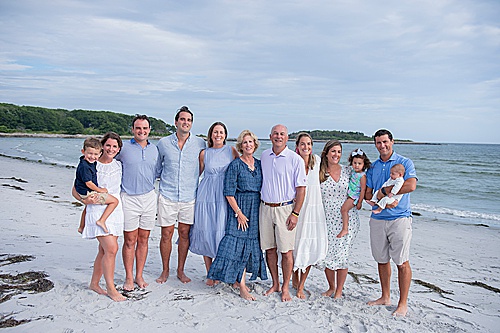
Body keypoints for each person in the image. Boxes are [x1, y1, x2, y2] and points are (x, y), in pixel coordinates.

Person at [207, 130, 268, 300]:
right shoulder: (235, 165)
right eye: (245, 142)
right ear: (240, 146)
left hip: (256, 208)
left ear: (255, 144)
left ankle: (237, 279)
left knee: (249, 245)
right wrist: (239, 213)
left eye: (250, 142)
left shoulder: (259, 164)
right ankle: (241, 285)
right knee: (236, 244)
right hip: (240, 208)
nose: (248, 145)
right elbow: (228, 192)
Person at [364, 129, 417, 317]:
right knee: (381, 260)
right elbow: (368, 194)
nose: (382, 146)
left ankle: (403, 303)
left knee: (402, 262)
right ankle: (385, 296)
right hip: (377, 219)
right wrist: (379, 194)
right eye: (378, 143)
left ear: (392, 142)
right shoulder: (373, 167)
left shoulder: (404, 163)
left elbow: (411, 185)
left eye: (385, 142)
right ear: (375, 144)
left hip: (400, 218)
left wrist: (384, 192)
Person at [72, 132, 126, 302]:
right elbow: (75, 189)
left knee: (104, 250)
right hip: (96, 210)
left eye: (115, 146)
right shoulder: (91, 164)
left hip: (115, 210)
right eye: (108, 145)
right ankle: (111, 288)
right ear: (102, 146)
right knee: (111, 249)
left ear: (119, 149)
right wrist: (83, 199)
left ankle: (94, 284)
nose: (111, 149)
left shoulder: (119, 165)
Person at [156, 106, 206, 284]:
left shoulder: (200, 143)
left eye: (189, 120)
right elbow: (156, 168)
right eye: (183, 119)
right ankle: (165, 270)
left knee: (184, 234)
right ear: (176, 122)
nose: (186, 123)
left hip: (189, 196)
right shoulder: (163, 143)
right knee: (166, 234)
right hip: (167, 195)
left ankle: (180, 270)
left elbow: (203, 166)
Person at [260, 124, 307, 302]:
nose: (278, 137)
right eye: (275, 134)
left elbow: (301, 189)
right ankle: (275, 283)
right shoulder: (264, 155)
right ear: (270, 136)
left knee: (286, 252)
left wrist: (295, 213)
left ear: (287, 138)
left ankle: (286, 287)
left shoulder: (295, 159)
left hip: (285, 209)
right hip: (264, 208)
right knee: (270, 250)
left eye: (282, 134)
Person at [189, 121, 238, 286]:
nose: (218, 135)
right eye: (215, 132)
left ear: (225, 135)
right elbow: (197, 175)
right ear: (210, 135)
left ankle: (222, 271)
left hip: (224, 195)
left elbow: (240, 168)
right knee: (206, 232)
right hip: (206, 196)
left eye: (221, 132)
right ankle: (210, 273)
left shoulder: (231, 151)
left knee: (221, 233)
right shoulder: (204, 153)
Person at [116, 115, 159, 291]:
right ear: (132, 130)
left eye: (145, 128)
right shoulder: (123, 148)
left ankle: (139, 276)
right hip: (128, 198)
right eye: (138, 128)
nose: (142, 131)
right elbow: (106, 163)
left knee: (144, 239)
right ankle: (128, 277)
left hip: (149, 198)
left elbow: (159, 171)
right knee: (129, 241)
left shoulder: (155, 150)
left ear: (149, 130)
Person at [316, 140, 360, 299]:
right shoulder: (319, 172)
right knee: (327, 254)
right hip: (325, 219)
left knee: (343, 254)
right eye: (333, 151)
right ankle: (331, 287)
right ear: (326, 153)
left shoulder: (349, 171)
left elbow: (358, 189)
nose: (336, 155)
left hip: (346, 219)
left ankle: (339, 290)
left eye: (339, 152)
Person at [291, 132, 327, 299]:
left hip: (313, 209)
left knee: (310, 246)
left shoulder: (317, 161)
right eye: (303, 144)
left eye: (309, 144)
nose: (306, 147)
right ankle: (295, 278)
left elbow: (335, 167)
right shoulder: (293, 161)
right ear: (297, 146)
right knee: (295, 245)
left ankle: (301, 285)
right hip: (297, 207)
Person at [74, 137, 118, 234]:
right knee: (114, 201)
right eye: (89, 153)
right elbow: (88, 183)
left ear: (100, 153)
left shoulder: (87, 162)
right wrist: (100, 190)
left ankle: (81, 227)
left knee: (87, 208)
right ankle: (101, 221)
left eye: (95, 154)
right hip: (88, 192)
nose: (92, 157)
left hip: (83, 191)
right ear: (83, 151)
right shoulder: (85, 167)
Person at [338, 148, 370, 238]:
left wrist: (359, 202)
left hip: (354, 197)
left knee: (344, 210)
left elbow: (363, 189)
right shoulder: (352, 171)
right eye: (354, 163)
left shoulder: (362, 176)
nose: (356, 165)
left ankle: (345, 228)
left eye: (359, 164)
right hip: (349, 194)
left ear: (363, 165)